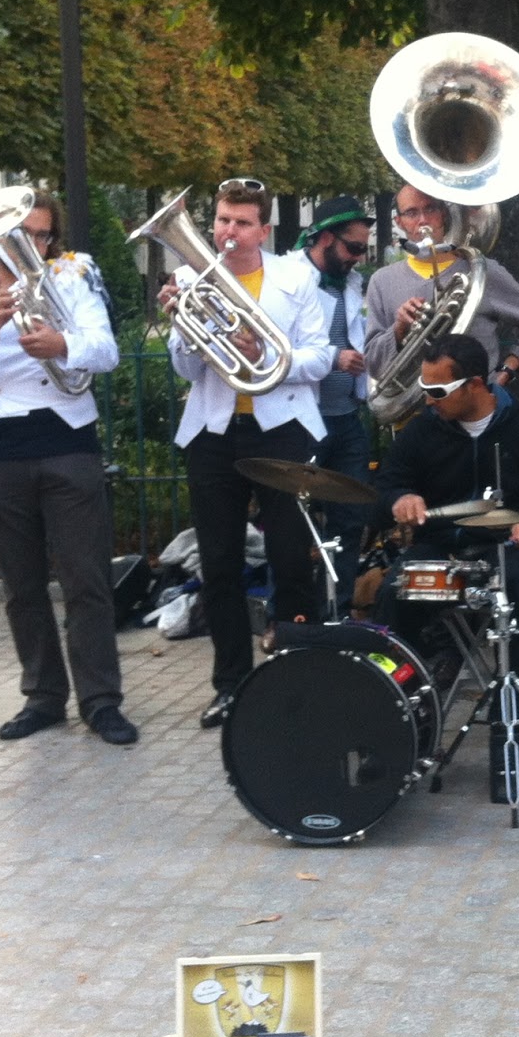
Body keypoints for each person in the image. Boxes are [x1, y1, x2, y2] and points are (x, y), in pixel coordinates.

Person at [0, 188, 137, 747]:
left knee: (87, 580)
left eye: (43, 236)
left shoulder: (72, 277)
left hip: (66, 436)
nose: (34, 246)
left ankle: (100, 700)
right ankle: (43, 697)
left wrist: (63, 343)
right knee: (21, 586)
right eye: (22, 236)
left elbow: (107, 350)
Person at [163, 177, 337, 728]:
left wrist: (266, 352)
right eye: (221, 221)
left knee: (289, 558)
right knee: (218, 565)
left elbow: (320, 359)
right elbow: (186, 371)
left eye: (241, 223)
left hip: (282, 427)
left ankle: (295, 673)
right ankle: (230, 684)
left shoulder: (297, 277)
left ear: (264, 230)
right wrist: (185, 329)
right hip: (214, 433)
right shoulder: (191, 277)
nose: (229, 232)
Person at [380, 334, 519, 692]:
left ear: (473, 384)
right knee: (393, 589)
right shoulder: (422, 430)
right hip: (437, 546)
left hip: (503, 546)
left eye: (438, 391)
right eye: (425, 388)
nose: (427, 399)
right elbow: (389, 482)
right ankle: (407, 691)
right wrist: (400, 497)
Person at [364, 182, 519, 405]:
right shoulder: (382, 281)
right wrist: (398, 330)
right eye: (412, 213)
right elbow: (373, 365)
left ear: (443, 213)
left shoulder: (482, 271)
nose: (423, 220)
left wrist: (503, 374)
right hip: (414, 417)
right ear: (400, 222)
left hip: (477, 409)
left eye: (430, 209)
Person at [292, 195, 374, 612]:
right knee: (293, 523)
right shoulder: (289, 278)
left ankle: (336, 613)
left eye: (364, 249)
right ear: (325, 238)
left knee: (349, 520)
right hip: (304, 420)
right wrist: (334, 357)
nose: (359, 258)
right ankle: (289, 614)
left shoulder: (351, 281)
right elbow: (277, 351)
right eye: (353, 248)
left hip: (346, 418)